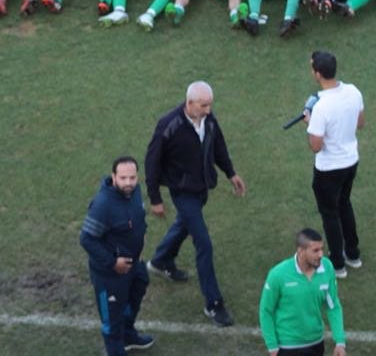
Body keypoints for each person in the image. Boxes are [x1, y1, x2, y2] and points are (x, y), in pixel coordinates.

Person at [143, 80, 246, 328]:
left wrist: (231, 173)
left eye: (210, 104)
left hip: (201, 189)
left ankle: (160, 261)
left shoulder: (208, 119)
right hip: (182, 192)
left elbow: (218, 146)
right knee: (204, 243)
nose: (208, 110)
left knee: (184, 224)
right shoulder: (169, 125)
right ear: (189, 103)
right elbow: (152, 161)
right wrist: (155, 198)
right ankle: (213, 304)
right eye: (203, 105)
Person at [80, 155, 155, 356]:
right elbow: (87, 239)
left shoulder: (136, 192)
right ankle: (115, 350)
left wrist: (143, 237)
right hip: (110, 276)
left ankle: (128, 336)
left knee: (133, 302)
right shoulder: (103, 205)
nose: (128, 183)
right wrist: (113, 263)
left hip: (134, 266)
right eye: (123, 178)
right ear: (114, 177)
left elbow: (139, 218)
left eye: (132, 177)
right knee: (111, 321)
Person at [303, 50, 365, 278]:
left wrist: (310, 122)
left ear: (318, 74)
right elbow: (361, 122)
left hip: (328, 169)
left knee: (330, 215)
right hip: (351, 162)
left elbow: (316, 146)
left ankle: (337, 264)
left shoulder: (321, 107)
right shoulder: (353, 91)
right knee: (344, 205)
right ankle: (353, 254)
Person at [258, 228, 348, 356]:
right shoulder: (278, 274)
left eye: (322, 249)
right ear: (301, 251)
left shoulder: (327, 267)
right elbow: (266, 310)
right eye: (315, 250)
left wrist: (340, 342)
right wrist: (272, 346)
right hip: (287, 346)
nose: (321, 254)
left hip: (316, 343)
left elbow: (333, 306)